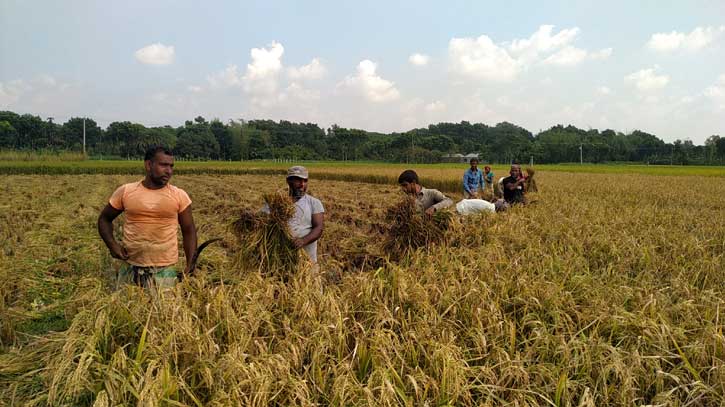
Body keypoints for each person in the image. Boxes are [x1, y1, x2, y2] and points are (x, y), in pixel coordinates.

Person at [97, 146, 197, 290]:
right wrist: (112, 245)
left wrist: (191, 265)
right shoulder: (126, 191)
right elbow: (104, 219)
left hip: (164, 270)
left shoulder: (179, 195)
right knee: (126, 309)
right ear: (148, 165)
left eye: (171, 166)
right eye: (163, 165)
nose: (169, 171)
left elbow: (189, 230)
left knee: (163, 311)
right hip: (130, 266)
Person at [264, 166, 325, 263]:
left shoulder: (314, 203)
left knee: (307, 276)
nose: (302, 185)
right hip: (279, 259)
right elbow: (262, 221)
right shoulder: (275, 203)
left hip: (306, 261)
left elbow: (319, 228)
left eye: (305, 181)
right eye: (298, 180)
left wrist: (303, 241)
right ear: (288, 181)